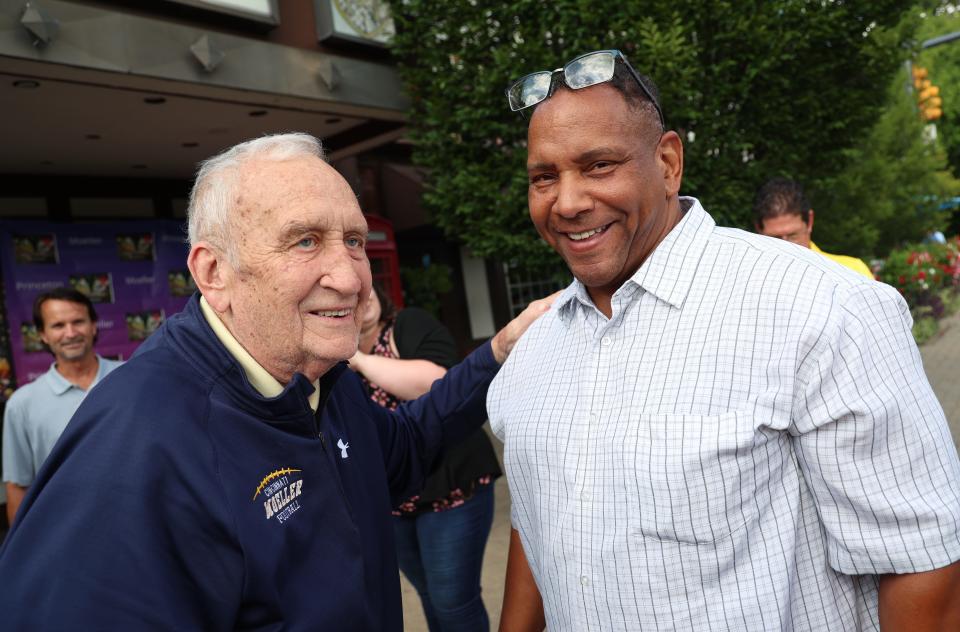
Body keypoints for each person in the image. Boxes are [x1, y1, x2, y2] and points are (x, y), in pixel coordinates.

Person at [0, 133, 550, 631]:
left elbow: (401, 450)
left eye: (354, 241)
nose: (349, 277)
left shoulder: (318, 376)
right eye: (305, 241)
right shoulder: (138, 443)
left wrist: (497, 352)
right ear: (213, 272)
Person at [490, 49, 960, 631]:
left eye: (599, 165)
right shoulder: (529, 358)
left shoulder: (821, 308)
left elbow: (921, 564)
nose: (567, 201)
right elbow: (536, 527)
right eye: (544, 177)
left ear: (667, 162)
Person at [351, 284, 502, 631]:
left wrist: (358, 359)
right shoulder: (331, 360)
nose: (362, 295)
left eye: (366, 289)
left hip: (451, 488)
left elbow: (439, 385)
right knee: (429, 597)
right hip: (394, 501)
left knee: (453, 601)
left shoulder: (408, 325)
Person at [2, 287, 121, 525]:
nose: (70, 333)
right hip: (68, 539)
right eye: (58, 326)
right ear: (43, 335)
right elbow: (17, 487)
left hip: (142, 531)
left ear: (94, 325)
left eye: (78, 321)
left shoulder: (132, 377)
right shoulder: (22, 404)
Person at [754, 177, 874, 278]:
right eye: (775, 239)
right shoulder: (748, 278)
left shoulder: (852, 272)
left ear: (810, 221)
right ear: (758, 230)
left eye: (793, 236)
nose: (786, 249)